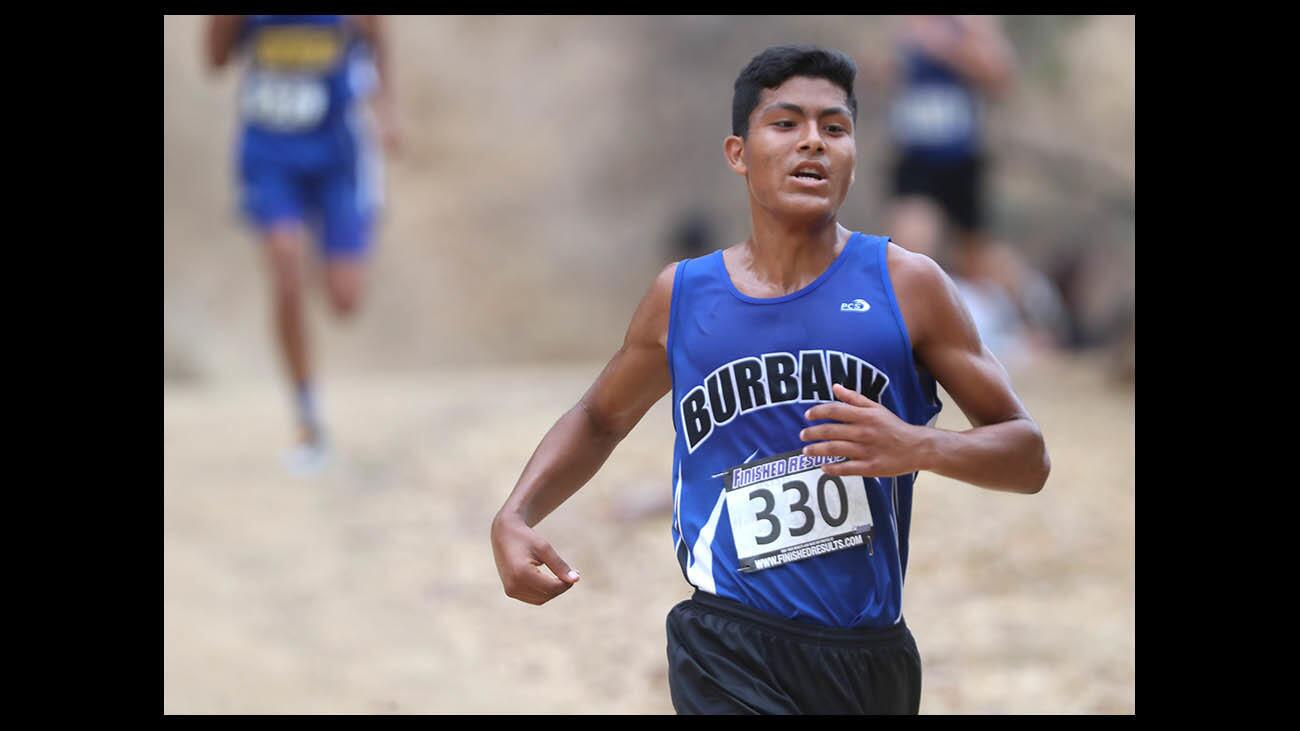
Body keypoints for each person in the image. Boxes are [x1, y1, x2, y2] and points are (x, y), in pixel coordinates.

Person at [490, 45, 1049, 715]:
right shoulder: (684, 296)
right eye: (786, 123)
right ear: (738, 152)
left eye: (834, 127)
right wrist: (516, 511)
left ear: (853, 152)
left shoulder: (910, 286)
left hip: (866, 654)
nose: (813, 141)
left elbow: (1028, 454)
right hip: (725, 641)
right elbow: (599, 417)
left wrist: (921, 445)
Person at [206, 15, 400, 472]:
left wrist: (387, 108)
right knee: (285, 265)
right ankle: (307, 416)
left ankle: (333, 238)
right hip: (270, 156)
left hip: (338, 155)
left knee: (345, 301)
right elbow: (214, 61)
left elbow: (379, 40)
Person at [879, 16, 1063, 359]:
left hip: (961, 158)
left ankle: (1038, 317)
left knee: (977, 261)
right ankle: (907, 335)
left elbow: (1000, 76)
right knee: (908, 243)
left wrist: (951, 48)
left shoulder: (972, 23)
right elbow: (882, 68)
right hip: (914, 156)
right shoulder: (907, 24)